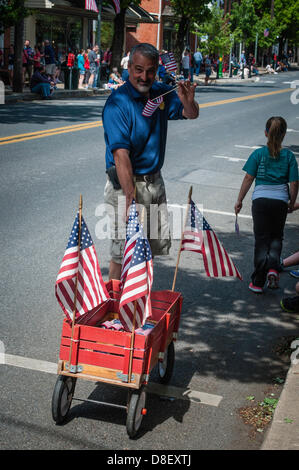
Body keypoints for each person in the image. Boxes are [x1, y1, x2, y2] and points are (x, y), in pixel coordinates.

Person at [102, 42, 199, 280]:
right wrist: (129, 199)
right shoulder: (117, 103)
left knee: (148, 252)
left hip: (154, 183)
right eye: (138, 69)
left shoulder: (160, 92)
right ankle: (114, 309)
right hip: (127, 185)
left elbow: (191, 113)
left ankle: (139, 305)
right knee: (121, 253)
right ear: (129, 68)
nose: (143, 76)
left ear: (156, 69)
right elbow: (120, 156)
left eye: (149, 71)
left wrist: (187, 99)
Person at [234, 116, 299, 293]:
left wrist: (239, 200)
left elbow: (248, 178)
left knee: (262, 240)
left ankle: (258, 281)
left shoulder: (258, 154)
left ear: (265, 133)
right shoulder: (289, 157)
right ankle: (273, 268)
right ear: (284, 135)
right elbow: (294, 183)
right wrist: (291, 203)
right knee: (276, 237)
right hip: (280, 202)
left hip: (260, 201)